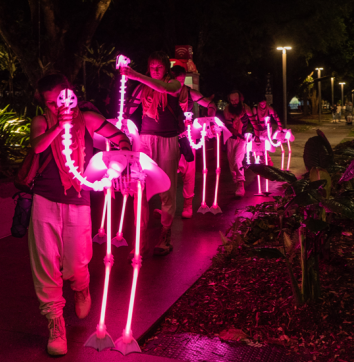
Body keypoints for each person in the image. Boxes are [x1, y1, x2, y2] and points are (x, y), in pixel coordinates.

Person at [28, 73, 131, 355]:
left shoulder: (88, 119)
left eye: (59, 100)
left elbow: (120, 138)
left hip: (78, 198)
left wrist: (122, 161)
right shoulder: (42, 121)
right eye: (49, 103)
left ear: (70, 94)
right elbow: (37, 146)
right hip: (45, 199)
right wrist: (58, 127)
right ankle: (55, 323)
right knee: (46, 263)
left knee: (76, 261)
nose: (56, 107)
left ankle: (81, 286)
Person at [121, 51, 184, 256]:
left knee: (167, 190)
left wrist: (135, 75)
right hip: (145, 141)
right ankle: (140, 238)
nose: (155, 70)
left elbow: (164, 88)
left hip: (167, 140)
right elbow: (129, 109)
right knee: (140, 191)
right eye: (152, 67)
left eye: (159, 67)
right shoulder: (142, 87)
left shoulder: (174, 84)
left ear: (166, 68)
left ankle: (165, 235)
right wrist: (121, 123)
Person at [171, 65, 216, 218]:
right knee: (166, 171)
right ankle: (167, 208)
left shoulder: (190, 93)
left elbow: (210, 104)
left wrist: (209, 120)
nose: (180, 84)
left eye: (183, 81)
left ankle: (188, 205)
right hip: (168, 137)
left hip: (186, 136)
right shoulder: (163, 92)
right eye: (178, 81)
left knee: (189, 171)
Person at [223, 90, 254, 197]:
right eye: (232, 100)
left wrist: (256, 135)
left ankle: (241, 184)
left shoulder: (246, 108)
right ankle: (236, 183)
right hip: (231, 138)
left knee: (237, 160)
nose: (234, 102)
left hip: (242, 138)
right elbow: (230, 126)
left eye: (236, 100)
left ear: (240, 99)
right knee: (231, 163)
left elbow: (253, 121)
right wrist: (236, 133)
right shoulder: (227, 109)